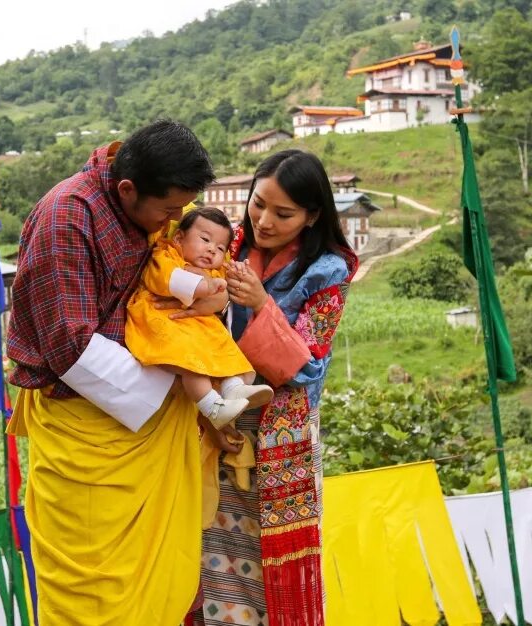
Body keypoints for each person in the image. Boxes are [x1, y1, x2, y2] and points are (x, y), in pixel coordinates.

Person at [5, 119, 220, 626]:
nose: (176, 219)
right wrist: (170, 386)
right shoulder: (66, 220)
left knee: (155, 591)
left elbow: (182, 266)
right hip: (84, 436)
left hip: (145, 424)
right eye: (169, 210)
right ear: (127, 189)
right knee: (92, 601)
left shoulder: (154, 208)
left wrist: (215, 292)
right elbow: (68, 346)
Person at [186, 150, 359, 626]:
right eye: (258, 204)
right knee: (207, 539)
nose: (263, 220)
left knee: (266, 557)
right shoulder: (229, 245)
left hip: (277, 435)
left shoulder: (328, 272)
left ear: (312, 215)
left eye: (283, 214)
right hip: (212, 414)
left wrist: (263, 305)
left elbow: (308, 367)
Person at [125, 206, 273, 428]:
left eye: (220, 247)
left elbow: (223, 290)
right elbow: (167, 279)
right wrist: (205, 287)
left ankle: (233, 386)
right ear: (178, 238)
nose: (212, 250)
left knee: (220, 342)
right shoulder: (166, 255)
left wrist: (232, 277)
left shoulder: (214, 271)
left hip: (195, 326)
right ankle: (212, 407)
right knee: (191, 362)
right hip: (162, 322)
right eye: (205, 239)